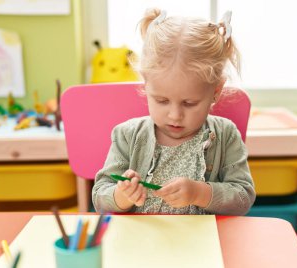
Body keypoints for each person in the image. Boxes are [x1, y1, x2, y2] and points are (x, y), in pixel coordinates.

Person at [92, 9, 256, 215]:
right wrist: (121, 196)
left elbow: (243, 197)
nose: (175, 115)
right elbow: (100, 195)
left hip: (203, 242)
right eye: (162, 100)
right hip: (141, 241)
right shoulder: (127, 135)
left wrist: (200, 193)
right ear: (146, 85)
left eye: (189, 103)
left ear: (216, 91)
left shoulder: (225, 134)